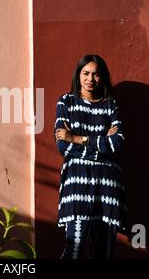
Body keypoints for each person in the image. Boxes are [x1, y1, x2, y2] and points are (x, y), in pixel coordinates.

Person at [54, 54, 126, 259]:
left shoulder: (111, 106)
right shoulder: (66, 103)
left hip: (108, 188)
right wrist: (102, 146)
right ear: (78, 76)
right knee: (74, 250)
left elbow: (117, 143)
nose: (90, 79)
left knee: (105, 252)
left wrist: (77, 138)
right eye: (86, 73)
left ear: (102, 78)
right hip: (77, 186)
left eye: (96, 74)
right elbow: (63, 146)